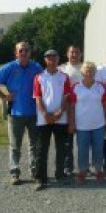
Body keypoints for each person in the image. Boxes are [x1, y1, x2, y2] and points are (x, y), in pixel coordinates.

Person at [0, 41, 43, 185]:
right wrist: (3, 97)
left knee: (34, 145)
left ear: (30, 53)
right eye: (21, 51)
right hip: (15, 113)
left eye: (26, 50)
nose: (23, 53)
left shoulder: (36, 67)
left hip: (34, 113)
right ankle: (15, 173)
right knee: (15, 145)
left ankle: (35, 172)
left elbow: (46, 84)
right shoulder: (9, 68)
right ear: (16, 53)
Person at [68, 62, 106, 185]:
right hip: (82, 126)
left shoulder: (101, 87)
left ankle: (98, 171)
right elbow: (71, 107)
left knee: (98, 149)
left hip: (99, 125)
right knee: (82, 150)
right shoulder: (76, 87)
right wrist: (71, 124)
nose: (89, 73)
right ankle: (82, 172)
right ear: (82, 73)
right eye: (86, 71)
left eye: (91, 71)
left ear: (94, 73)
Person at [33, 49, 71, 191]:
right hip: (44, 119)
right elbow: (37, 97)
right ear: (45, 60)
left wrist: (60, 112)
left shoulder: (64, 77)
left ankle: (59, 174)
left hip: (61, 118)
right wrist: (45, 114)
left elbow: (67, 97)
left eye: (54, 57)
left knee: (61, 148)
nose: (52, 60)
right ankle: (40, 178)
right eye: (49, 58)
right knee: (41, 149)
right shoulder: (39, 77)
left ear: (58, 59)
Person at [59, 45, 83, 176]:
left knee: (85, 139)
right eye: (71, 52)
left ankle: (85, 166)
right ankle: (68, 166)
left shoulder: (86, 68)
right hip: (68, 108)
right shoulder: (61, 69)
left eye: (76, 52)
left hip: (84, 108)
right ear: (67, 54)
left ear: (81, 54)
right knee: (68, 139)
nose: (74, 54)